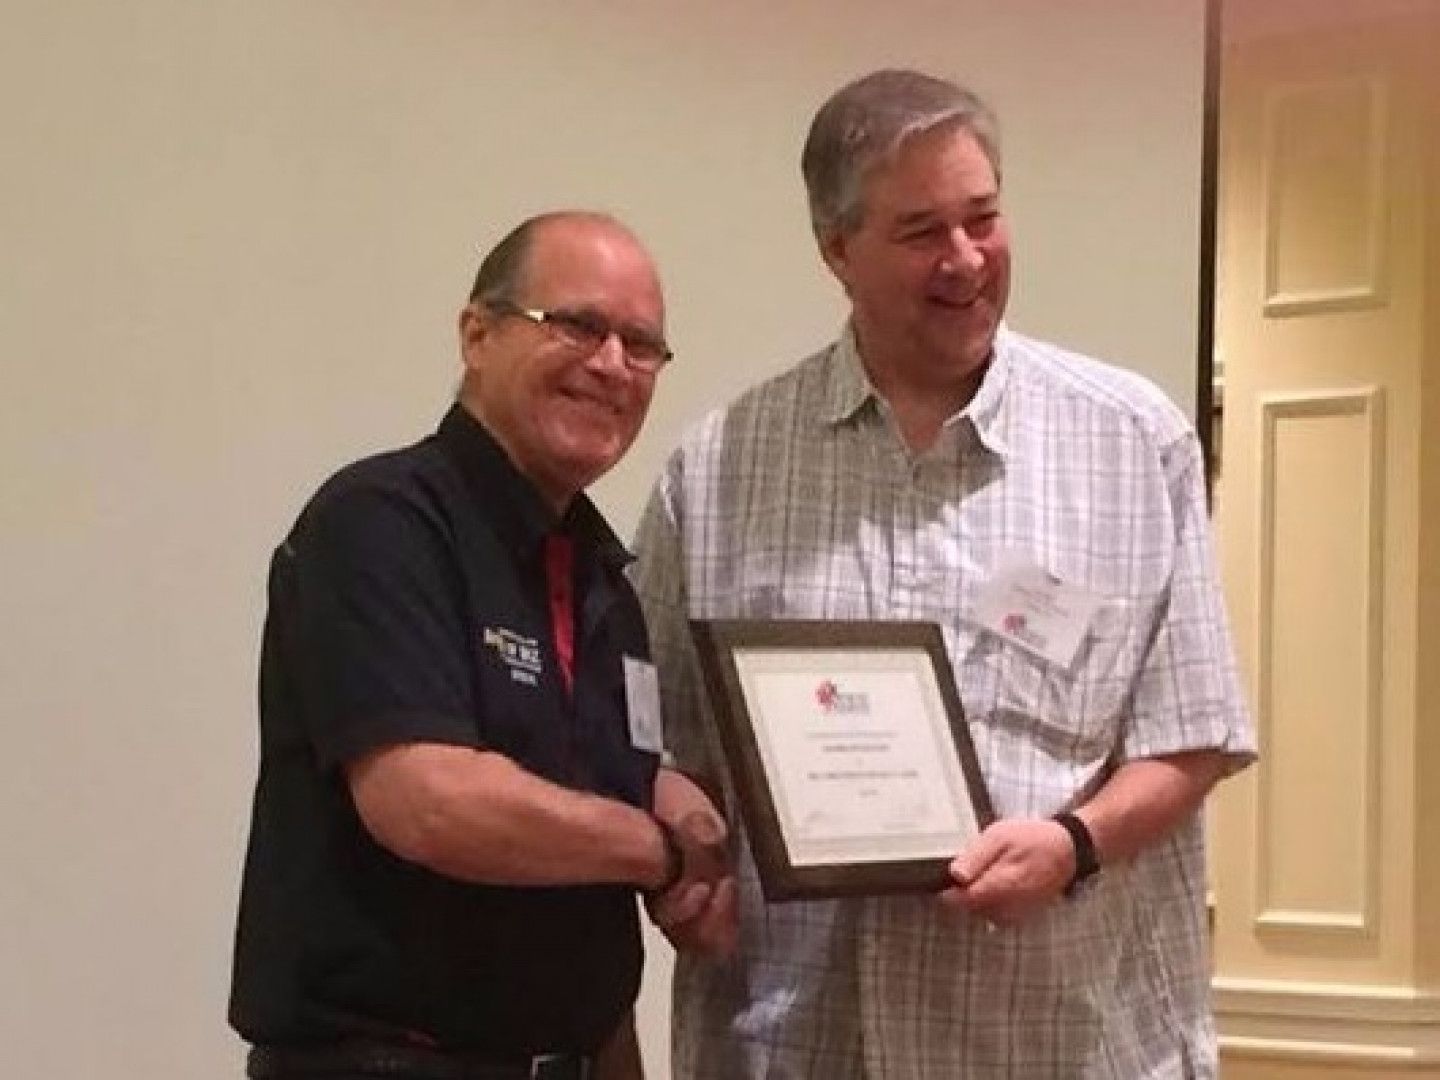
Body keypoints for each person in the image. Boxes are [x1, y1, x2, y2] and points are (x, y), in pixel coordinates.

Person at [631, 70, 1257, 1078]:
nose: (966, 259)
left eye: (985, 218)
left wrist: (1075, 846)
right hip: (801, 1044)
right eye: (922, 231)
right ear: (837, 249)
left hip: (1059, 1041)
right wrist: (681, 867)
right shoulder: (716, 470)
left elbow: (1195, 738)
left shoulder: (1135, 442)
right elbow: (663, 748)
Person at [229, 210, 736, 1080]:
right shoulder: (384, 523)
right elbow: (427, 800)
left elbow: (602, 774)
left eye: (642, 344)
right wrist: (661, 852)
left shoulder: (607, 582)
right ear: (477, 333)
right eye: (578, 324)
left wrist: (688, 812)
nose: (612, 364)